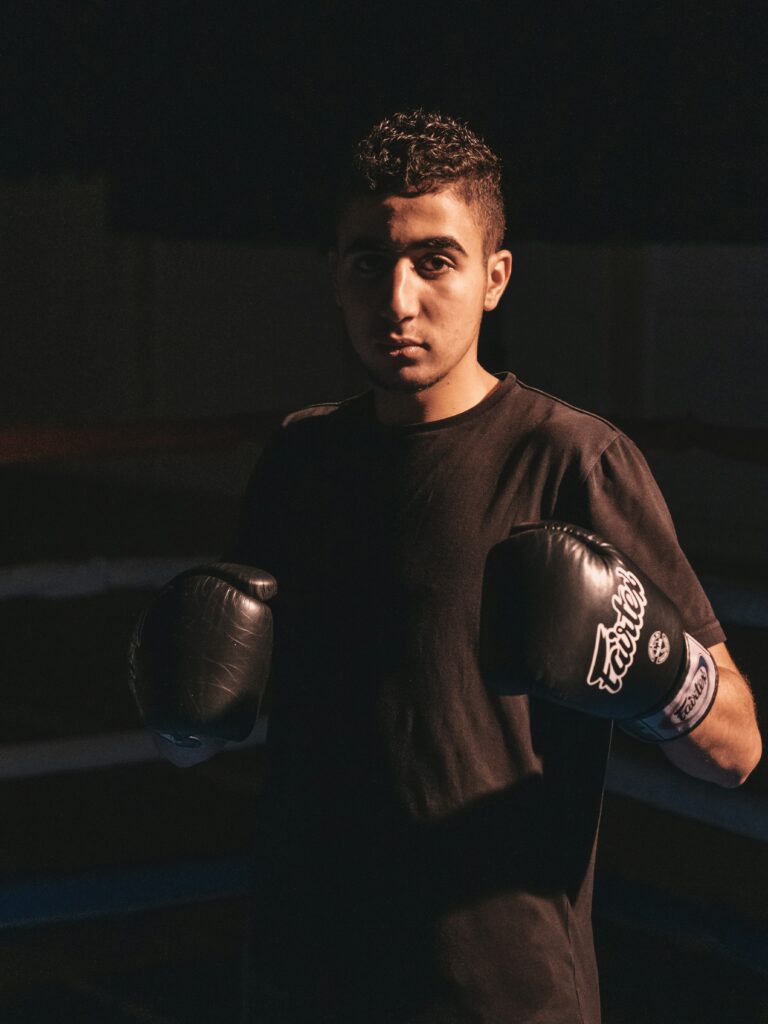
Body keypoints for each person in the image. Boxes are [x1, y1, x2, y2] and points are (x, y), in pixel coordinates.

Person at [131, 110, 762, 1023]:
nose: (396, 299)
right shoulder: (300, 459)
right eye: (367, 262)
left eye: (435, 260)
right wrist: (182, 717)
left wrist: (654, 661)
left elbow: (737, 749)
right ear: (337, 276)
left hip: (497, 989)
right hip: (306, 977)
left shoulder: (572, 460)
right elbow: (211, 712)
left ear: (494, 277)